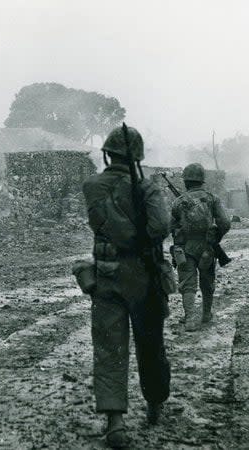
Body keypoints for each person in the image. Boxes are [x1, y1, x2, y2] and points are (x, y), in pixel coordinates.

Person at [81, 124, 171, 448]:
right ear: (137, 157)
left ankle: (115, 423)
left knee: (109, 348)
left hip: (106, 274)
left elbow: (99, 223)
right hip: (144, 277)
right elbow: (160, 226)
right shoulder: (147, 188)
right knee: (151, 344)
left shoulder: (92, 186)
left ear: (107, 154)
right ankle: (155, 403)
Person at [170, 163, 231, 331]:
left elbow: (172, 227)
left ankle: (190, 319)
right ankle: (206, 314)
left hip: (185, 248)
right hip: (207, 247)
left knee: (187, 283)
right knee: (207, 279)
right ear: (202, 181)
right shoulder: (212, 198)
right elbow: (225, 223)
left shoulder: (177, 202)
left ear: (186, 182)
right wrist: (215, 237)